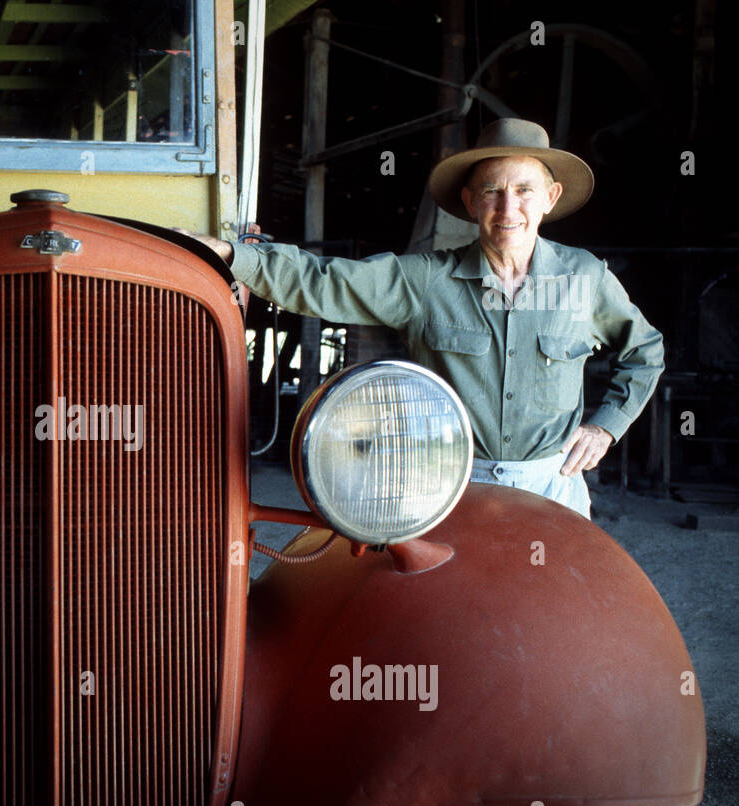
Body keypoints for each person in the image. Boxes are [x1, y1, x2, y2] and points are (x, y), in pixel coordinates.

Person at [188, 118, 664, 519]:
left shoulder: (585, 277)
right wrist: (235, 256)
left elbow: (645, 352)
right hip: (449, 483)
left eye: (524, 190)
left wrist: (606, 425)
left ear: (550, 197)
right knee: (451, 613)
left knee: (555, 614)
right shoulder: (427, 280)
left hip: (554, 485)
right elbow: (328, 280)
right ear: (471, 201)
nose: (508, 207)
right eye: (492, 191)